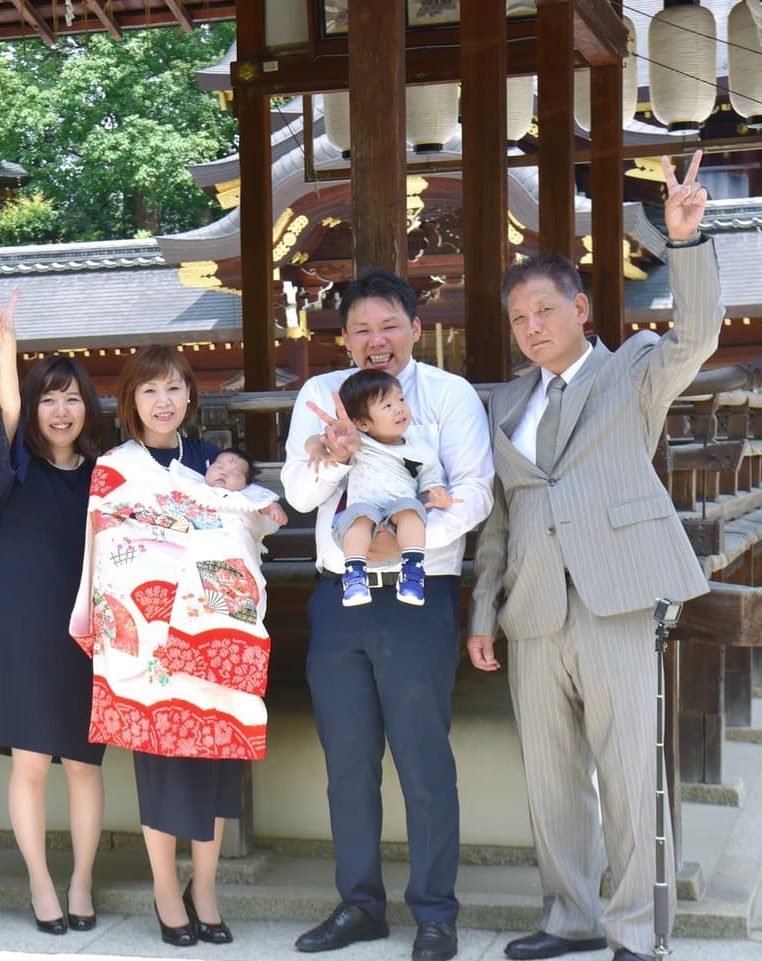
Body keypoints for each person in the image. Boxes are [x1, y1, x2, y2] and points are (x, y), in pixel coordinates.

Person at [467, 152, 718, 961]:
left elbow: (698, 336)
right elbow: (497, 519)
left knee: (626, 774)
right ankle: (569, 917)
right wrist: (484, 611)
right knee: (552, 778)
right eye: (517, 317)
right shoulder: (507, 404)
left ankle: (635, 932)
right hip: (534, 607)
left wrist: (685, 242)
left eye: (543, 309)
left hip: (615, 597)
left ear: (579, 307)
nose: (531, 326)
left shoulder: (632, 371)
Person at [281, 270, 494, 961]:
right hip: (339, 596)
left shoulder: (447, 395)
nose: (377, 340)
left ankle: (434, 910)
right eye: (362, 330)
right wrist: (331, 459)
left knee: (422, 757)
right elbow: (297, 491)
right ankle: (360, 904)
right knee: (347, 760)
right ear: (345, 338)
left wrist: (401, 539)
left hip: (416, 593)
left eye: (389, 326)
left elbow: (473, 496)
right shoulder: (321, 396)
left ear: (416, 329)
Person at [69, 346, 271, 948]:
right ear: (131, 399)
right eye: (151, 390)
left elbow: (242, 533)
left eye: (175, 389)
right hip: (146, 646)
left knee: (212, 766)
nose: (164, 401)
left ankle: (204, 889)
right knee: (158, 766)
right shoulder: (113, 466)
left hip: (210, 634)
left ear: (190, 396)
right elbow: (108, 548)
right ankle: (165, 889)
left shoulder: (212, 462)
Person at [0, 288, 106, 936]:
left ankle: (81, 880)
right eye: (48, 397)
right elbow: (8, 405)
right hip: (20, 625)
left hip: (87, 631)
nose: (59, 409)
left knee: (82, 762)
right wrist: (7, 351)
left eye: (70, 397)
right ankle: (41, 882)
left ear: (88, 407)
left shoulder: (108, 473)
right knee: (29, 761)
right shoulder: (15, 467)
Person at [307, 368, 456, 607]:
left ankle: (412, 572)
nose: (399, 408)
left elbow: (430, 479)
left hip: (398, 520)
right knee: (360, 515)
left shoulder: (421, 450)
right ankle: (355, 574)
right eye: (387, 406)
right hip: (363, 519)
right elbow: (317, 439)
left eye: (401, 400)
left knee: (411, 510)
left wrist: (437, 492)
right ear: (363, 422)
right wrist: (317, 449)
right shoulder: (358, 441)